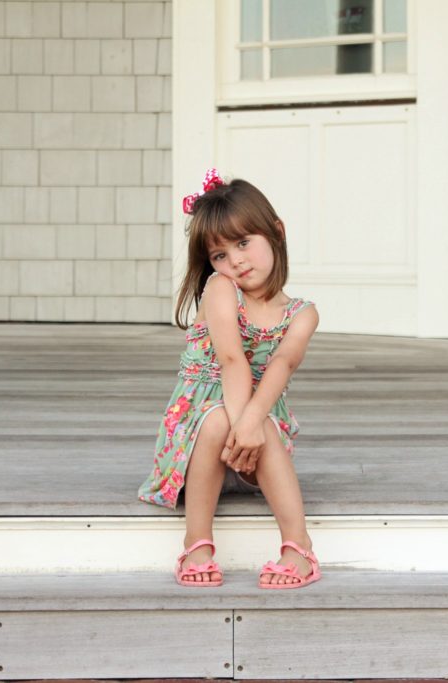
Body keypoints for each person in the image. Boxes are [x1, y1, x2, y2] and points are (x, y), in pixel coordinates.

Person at [137, 169, 321, 589]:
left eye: (243, 243)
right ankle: (197, 539)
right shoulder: (221, 289)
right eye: (220, 254)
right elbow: (232, 360)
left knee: (258, 422)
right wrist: (243, 428)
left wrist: (252, 425)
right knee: (219, 418)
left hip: (256, 430)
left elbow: (282, 365)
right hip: (197, 431)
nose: (235, 260)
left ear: (276, 232)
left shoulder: (302, 313)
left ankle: (299, 546)